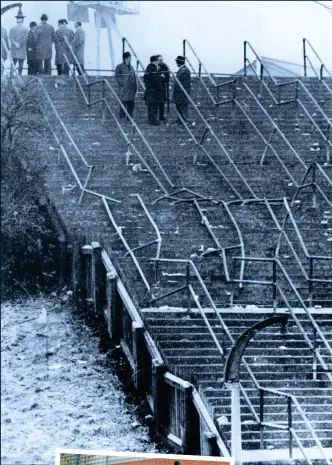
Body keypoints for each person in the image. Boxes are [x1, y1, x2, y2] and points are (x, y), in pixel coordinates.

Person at [115, 51, 137, 119]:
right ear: (126, 58)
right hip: (124, 88)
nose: (131, 59)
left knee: (131, 102)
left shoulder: (132, 67)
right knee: (123, 101)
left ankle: (129, 117)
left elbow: (134, 77)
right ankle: (122, 116)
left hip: (131, 88)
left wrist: (135, 86)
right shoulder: (120, 66)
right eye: (130, 57)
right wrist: (122, 83)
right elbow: (117, 76)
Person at [143, 55, 164, 126]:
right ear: (154, 61)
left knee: (152, 107)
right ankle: (153, 121)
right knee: (153, 107)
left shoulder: (150, 67)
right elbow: (155, 80)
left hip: (151, 91)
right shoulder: (152, 68)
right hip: (153, 92)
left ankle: (152, 120)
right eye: (157, 61)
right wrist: (161, 77)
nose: (158, 62)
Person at [9, 7, 28, 76]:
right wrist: (19, 44)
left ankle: (11, 75)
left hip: (14, 50)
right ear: (22, 20)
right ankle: (19, 76)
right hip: (21, 49)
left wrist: (15, 43)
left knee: (13, 64)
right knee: (21, 64)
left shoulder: (12, 29)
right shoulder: (25, 29)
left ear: (16, 20)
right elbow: (25, 38)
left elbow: (10, 38)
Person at [173, 55, 191, 123]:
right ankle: (180, 119)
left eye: (177, 62)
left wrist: (182, 91)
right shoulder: (181, 69)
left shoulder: (185, 70)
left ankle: (184, 119)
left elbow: (185, 83)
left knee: (183, 106)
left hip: (182, 92)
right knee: (178, 106)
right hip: (178, 92)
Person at [157, 54, 170, 121]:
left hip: (162, 87)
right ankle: (155, 116)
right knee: (155, 102)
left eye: (162, 60)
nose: (161, 61)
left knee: (162, 102)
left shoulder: (165, 66)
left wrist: (164, 77)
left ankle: (161, 116)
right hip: (155, 88)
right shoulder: (154, 66)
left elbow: (168, 76)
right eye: (160, 60)